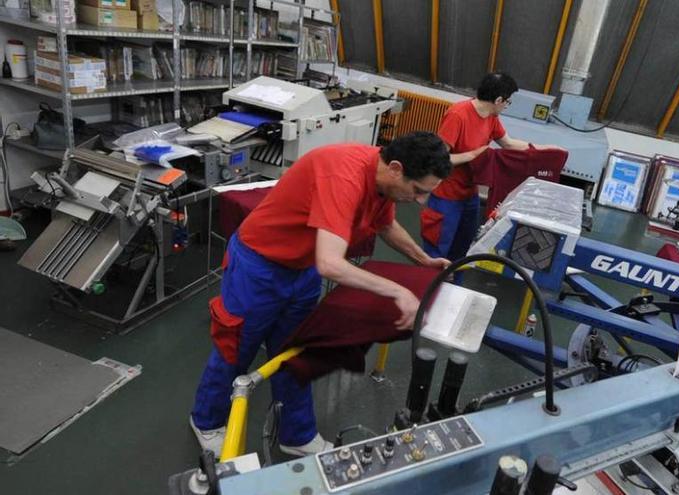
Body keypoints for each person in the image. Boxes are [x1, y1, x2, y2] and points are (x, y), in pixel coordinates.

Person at [190, 132, 452, 457]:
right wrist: (398, 292)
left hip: (302, 269)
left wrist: (423, 260)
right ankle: (206, 421)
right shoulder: (344, 175)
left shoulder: (383, 182)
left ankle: (296, 434)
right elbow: (330, 263)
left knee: (298, 352)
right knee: (236, 348)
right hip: (258, 267)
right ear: (397, 168)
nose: (421, 200)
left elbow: (385, 226)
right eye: (418, 191)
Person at [420, 72, 564, 261]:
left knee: (463, 249)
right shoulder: (458, 115)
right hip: (447, 197)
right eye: (508, 102)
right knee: (437, 250)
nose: (506, 106)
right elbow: (438, 158)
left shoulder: (491, 117)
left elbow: (509, 144)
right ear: (498, 100)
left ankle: (452, 283)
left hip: (469, 196)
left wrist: (545, 149)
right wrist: (471, 155)